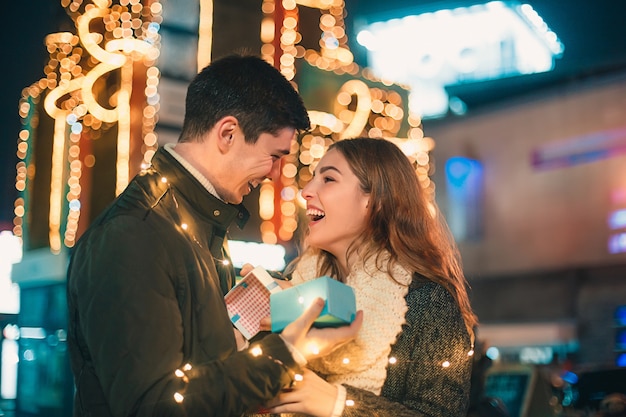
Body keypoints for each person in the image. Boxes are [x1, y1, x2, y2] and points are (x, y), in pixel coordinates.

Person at [66, 53, 363, 417]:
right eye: (273, 155)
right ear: (227, 133)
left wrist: (248, 324)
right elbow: (154, 405)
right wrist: (285, 353)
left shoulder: (200, 224)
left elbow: (200, 368)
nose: (274, 173)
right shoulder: (134, 234)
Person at [262, 137, 478, 416]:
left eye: (328, 179)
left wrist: (339, 404)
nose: (306, 191)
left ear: (375, 200)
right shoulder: (289, 288)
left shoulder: (427, 301)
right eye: (312, 178)